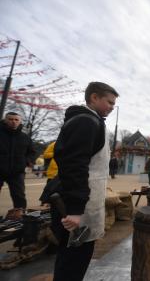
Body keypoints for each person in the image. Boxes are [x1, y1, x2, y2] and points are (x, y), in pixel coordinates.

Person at [51, 82, 118, 281]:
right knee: (73, 260)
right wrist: (75, 210)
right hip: (78, 207)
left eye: (114, 104)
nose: (112, 107)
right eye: (109, 102)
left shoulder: (93, 121)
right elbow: (74, 166)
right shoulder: (86, 122)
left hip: (83, 203)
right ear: (94, 97)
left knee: (74, 258)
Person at [0, 112, 35, 220]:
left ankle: (20, 217)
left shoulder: (25, 137)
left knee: (19, 196)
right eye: (11, 119)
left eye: (16, 119)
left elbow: (32, 152)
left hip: (17, 172)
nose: (13, 122)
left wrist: (27, 161)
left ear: (20, 121)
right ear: (5, 120)